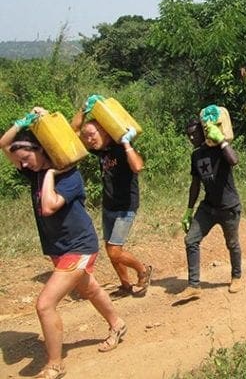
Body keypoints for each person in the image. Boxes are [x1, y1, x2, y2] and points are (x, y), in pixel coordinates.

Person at [1, 108, 127, 379]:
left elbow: (48, 206)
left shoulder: (70, 177)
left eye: (26, 159)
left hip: (80, 247)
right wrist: (21, 122)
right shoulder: (33, 171)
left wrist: (50, 173)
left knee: (45, 305)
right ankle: (117, 324)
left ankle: (55, 365)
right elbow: (3, 144)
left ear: (41, 150)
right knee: (90, 290)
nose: (23, 165)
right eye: (20, 161)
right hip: (59, 249)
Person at [71, 95, 152, 297]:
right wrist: (83, 108)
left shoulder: (120, 147)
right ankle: (126, 285)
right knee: (111, 251)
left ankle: (143, 270)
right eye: (87, 136)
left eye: (92, 135)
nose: (89, 140)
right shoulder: (102, 151)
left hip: (126, 206)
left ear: (105, 132)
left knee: (115, 250)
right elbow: (74, 132)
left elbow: (138, 167)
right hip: (109, 206)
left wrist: (126, 144)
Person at [178, 116, 243, 300]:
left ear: (203, 130)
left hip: (229, 206)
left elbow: (234, 160)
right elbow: (195, 184)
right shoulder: (196, 155)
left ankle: (236, 276)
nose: (191, 138)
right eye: (188, 135)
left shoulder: (218, 149)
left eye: (194, 134)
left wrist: (221, 140)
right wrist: (189, 211)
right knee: (191, 240)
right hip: (208, 207)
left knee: (232, 243)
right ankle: (193, 285)